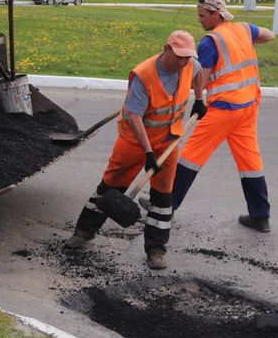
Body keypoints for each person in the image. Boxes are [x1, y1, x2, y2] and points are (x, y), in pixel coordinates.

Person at [65, 30, 205, 270]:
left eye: (187, 57)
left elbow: (199, 72)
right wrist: (148, 153)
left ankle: (156, 250)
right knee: (110, 187)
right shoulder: (144, 75)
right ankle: (83, 233)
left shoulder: (191, 65)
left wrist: (200, 99)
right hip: (134, 142)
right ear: (166, 49)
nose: (183, 62)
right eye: (179, 56)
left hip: (169, 141)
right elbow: (135, 118)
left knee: (162, 198)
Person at [170, 0, 276, 232]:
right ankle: (260, 216)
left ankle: (166, 207)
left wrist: (195, 95)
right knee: (250, 161)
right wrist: (249, 40)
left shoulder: (210, 42)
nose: (199, 20)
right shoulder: (243, 29)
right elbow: (270, 35)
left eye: (202, 16)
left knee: (191, 155)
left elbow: (201, 81)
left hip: (225, 109)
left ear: (215, 14)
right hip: (249, 106)